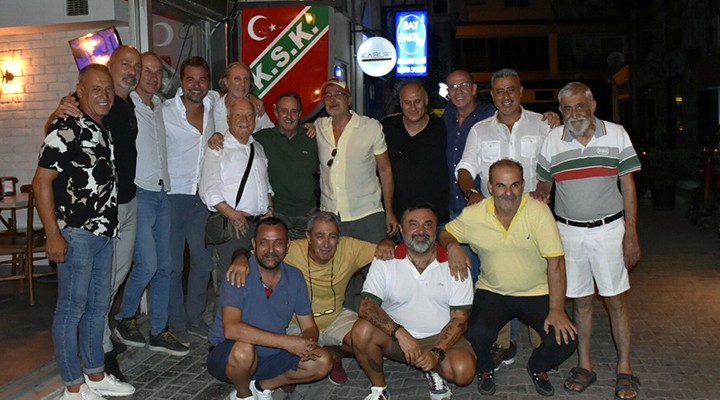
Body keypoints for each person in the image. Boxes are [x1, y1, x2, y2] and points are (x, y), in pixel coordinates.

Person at [534, 82, 642, 400]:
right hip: (568, 232)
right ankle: (585, 365)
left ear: (592, 105)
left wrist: (631, 234)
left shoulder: (616, 134)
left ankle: (625, 368)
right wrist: (538, 197)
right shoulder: (553, 139)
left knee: (616, 300)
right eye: (566, 108)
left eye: (579, 106)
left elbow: (628, 187)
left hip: (610, 230)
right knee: (580, 301)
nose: (573, 114)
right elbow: (544, 185)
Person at [33, 64, 136, 399]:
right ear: (79, 90)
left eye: (108, 89)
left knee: (97, 308)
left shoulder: (100, 127)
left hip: (104, 233)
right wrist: (53, 234)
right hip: (77, 234)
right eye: (96, 89)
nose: (104, 95)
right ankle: (73, 388)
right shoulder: (67, 126)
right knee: (70, 311)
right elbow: (41, 182)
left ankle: (95, 374)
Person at [440, 159, 578, 396]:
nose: (508, 192)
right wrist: (452, 245)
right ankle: (485, 368)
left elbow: (556, 263)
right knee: (476, 334)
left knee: (565, 339)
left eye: (515, 185)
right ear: (490, 187)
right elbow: (444, 232)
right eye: (501, 186)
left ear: (523, 185)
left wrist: (557, 309)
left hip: (537, 291)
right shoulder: (473, 215)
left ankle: (537, 366)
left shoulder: (538, 211)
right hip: (493, 291)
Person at [225, 211, 395, 388]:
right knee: (285, 350)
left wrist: (388, 242)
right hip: (296, 324)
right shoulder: (291, 250)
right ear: (308, 237)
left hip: (336, 317)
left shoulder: (349, 248)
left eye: (332, 237)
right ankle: (287, 373)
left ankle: (335, 354)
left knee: (368, 339)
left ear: (339, 238)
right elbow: (255, 252)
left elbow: (388, 250)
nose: (326, 244)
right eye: (319, 236)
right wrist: (240, 258)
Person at [455, 68, 552, 369]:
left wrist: (544, 188)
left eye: (511, 89)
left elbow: (552, 165)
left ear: (520, 91)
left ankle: (542, 342)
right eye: (500, 91)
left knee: (539, 276)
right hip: (495, 218)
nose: (506, 96)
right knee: (496, 276)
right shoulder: (480, 130)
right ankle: (501, 343)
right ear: (492, 95)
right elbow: (465, 167)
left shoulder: (543, 124)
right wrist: (471, 192)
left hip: (533, 216)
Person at [352, 203, 476, 400]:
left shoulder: (455, 263)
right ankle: (379, 389)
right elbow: (366, 306)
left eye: (428, 224)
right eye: (413, 224)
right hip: (397, 339)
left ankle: (434, 368)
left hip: (440, 337)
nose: (421, 230)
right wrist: (400, 333)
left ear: (435, 230)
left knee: (464, 372)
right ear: (401, 230)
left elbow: (460, 319)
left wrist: (436, 353)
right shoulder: (386, 259)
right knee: (361, 331)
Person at [113, 52, 188, 356]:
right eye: (147, 70)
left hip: (162, 193)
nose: (154, 77)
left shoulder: (160, 105)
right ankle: (125, 318)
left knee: (166, 267)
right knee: (148, 264)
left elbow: (204, 99)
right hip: (139, 193)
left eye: (159, 72)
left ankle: (158, 330)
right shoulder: (124, 103)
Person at [207, 218, 333, 400]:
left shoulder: (295, 277)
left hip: (272, 354)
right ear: (254, 244)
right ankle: (243, 394)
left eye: (278, 243)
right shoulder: (238, 272)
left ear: (288, 245)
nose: (271, 250)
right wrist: (288, 343)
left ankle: (262, 386)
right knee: (244, 349)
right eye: (264, 243)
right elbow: (232, 329)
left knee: (323, 361)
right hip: (229, 356)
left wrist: (307, 344)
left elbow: (309, 326)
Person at [316, 78, 398, 312]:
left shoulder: (370, 127)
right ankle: (346, 323)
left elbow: (385, 169)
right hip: (332, 215)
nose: (333, 99)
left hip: (367, 213)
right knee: (340, 275)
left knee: (378, 272)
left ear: (349, 99)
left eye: (338, 94)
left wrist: (389, 211)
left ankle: (383, 322)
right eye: (328, 96)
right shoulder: (319, 126)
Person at [163, 56, 220, 343]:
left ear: (208, 82)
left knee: (203, 263)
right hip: (173, 196)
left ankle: (194, 317)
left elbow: (241, 98)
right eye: (190, 79)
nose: (196, 85)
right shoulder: (164, 111)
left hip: (202, 196)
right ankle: (177, 322)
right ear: (181, 82)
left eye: (202, 79)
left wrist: (256, 101)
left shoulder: (214, 104)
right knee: (173, 266)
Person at [199, 97, 273, 281]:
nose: (244, 120)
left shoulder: (258, 147)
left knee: (259, 281)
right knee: (232, 283)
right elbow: (208, 188)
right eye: (238, 115)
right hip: (234, 229)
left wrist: (270, 210)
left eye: (249, 115)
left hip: (260, 227)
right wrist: (233, 215)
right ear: (228, 119)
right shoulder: (218, 147)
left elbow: (266, 185)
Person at [253, 92, 319, 239]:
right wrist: (217, 137)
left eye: (294, 111)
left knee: (305, 254)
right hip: (275, 214)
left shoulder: (312, 137)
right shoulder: (261, 139)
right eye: (284, 111)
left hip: (307, 215)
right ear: (276, 112)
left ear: (300, 114)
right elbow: (236, 139)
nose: (289, 116)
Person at [383, 79, 449, 224]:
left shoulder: (441, 127)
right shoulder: (386, 128)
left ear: (426, 101)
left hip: (436, 217)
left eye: (417, 101)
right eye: (407, 102)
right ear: (401, 104)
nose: (412, 107)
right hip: (399, 217)